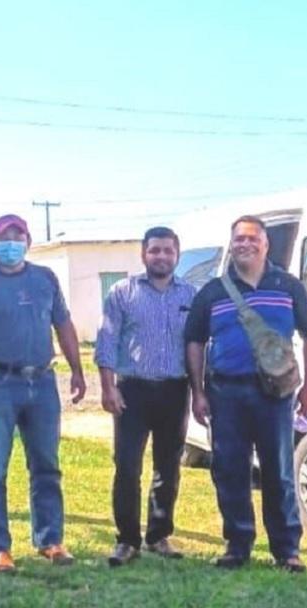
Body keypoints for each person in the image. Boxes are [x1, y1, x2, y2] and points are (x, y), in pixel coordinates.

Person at [0, 214, 86, 572]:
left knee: (46, 465)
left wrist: (77, 369)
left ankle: (50, 539)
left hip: (41, 383)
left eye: (17, 235)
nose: (11, 242)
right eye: (3, 236)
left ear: (28, 239)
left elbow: (63, 324)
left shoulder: (45, 279)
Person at [184, 215, 307, 571]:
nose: (245, 245)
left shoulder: (288, 287)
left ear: (265, 244)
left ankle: (287, 550)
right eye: (238, 240)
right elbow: (195, 342)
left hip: (275, 396)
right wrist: (197, 392)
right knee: (230, 470)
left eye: (252, 239)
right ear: (231, 245)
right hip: (224, 392)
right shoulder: (213, 292)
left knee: (279, 471)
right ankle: (237, 544)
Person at [94, 226, 196, 566]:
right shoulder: (123, 292)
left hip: (174, 389)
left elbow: (198, 346)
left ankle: (158, 535)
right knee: (127, 465)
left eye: (168, 250)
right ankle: (127, 540)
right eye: (155, 250)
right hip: (133, 390)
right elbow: (107, 343)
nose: (161, 256)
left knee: (168, 466)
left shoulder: (190, 296)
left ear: (176, 255)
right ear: (143, 255)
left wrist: (199, 391)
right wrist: (108, 388)